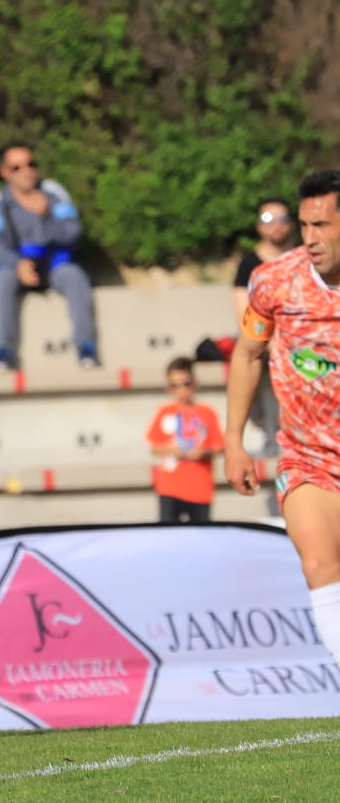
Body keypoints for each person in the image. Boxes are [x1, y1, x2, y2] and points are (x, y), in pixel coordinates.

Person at [227, 170, 340, 670]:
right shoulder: (274, 281)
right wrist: (234, 441)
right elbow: (248, 355)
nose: (311, 238)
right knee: (319, 563)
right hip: (307, 455)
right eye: (305, 225)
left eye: (324, 225)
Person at [0, 142, 98, 371]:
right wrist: (17, 263)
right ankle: (4, 351)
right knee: (1, 282)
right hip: (15, 268)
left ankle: (86, 348)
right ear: (4, 173)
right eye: (17, 167)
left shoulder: (54, 194)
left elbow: (73, 235)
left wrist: (47, 217)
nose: (26, 171)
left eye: (30, 164)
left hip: (53, 266)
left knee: (74, 277)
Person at [233, 197, 296, 457]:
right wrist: (271, 342)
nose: (276, 226)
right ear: (258, 226)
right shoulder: (250, 264)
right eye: (268, 219)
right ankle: (273, 435)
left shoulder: (305, 257)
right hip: (267, 343)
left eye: (282, 218)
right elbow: (242, 307)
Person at [144, 356, 224, 524]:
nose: (181, 390)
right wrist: (171, 450)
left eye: (186, 384)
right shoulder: (165, 411)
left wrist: (204, 452)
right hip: (170, 488)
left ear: (195, 383)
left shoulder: (207, 413)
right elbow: (154, 447)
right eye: (175, 385)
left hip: (200, 489)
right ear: (169, 388)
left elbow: (219, 446)